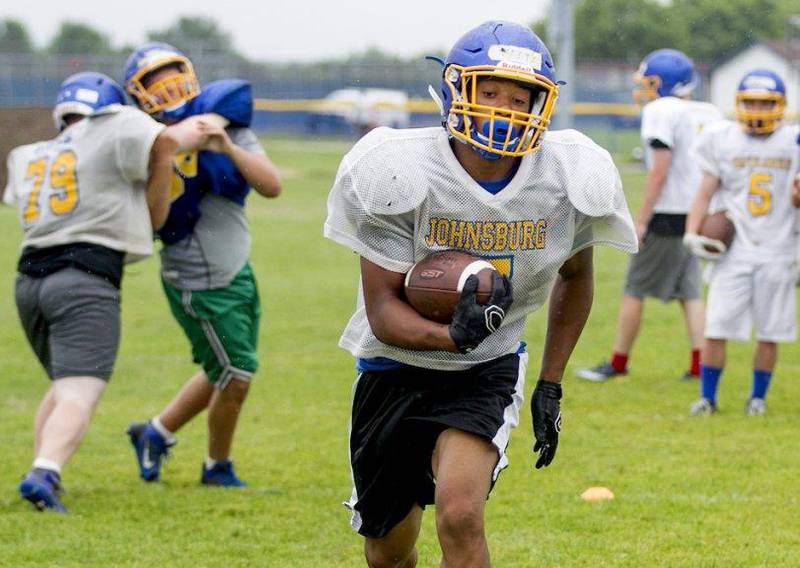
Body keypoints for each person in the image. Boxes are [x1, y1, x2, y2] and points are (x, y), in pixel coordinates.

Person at [324, 21, 637, 567]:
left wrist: (551, 383)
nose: (504, 108)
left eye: (522, 97)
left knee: (460, 515)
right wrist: (449, 335)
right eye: (489, 92)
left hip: (486, 369)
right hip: (392, 369)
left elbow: (577, 277)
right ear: (454, 90)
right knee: (388, 552)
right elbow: (381, 311)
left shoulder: (562, 175)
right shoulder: (400, 169)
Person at [3, 71, 205, 512]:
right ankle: (44, 472)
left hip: (28, 280)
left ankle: (42, 469)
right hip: (84, 278)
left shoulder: (27, 153)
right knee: (81, 390)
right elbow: (177, 138)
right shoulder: (117, 122)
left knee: (62, 385)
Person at [122, 42, 282, 487]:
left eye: (172, 73)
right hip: (196, 278)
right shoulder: (141, 139)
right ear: (139, 94)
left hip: (236, 268)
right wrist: (167, 151)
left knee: (227, 368)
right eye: (155, 80)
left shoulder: (221, 118)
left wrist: (226, 146)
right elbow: (154, 220)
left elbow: (271, 186)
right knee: (236, 373)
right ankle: (217, 466)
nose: (168, 86)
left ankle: (154, 432)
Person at [576, 49, 723, 383]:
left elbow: (659, 173)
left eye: (651, 82)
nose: (644, 89)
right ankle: (700, 365)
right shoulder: (709, 111)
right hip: (701, 212)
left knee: (634, 287)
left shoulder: (661, 110)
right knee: (690, 293)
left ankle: (618, 362)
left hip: (668, 213)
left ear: (667, 83)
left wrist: (640, 221)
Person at [683, 69, 799, 416]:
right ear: (738, 103)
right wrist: (692, 231)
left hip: (779, 248)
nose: (758, 110)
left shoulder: (794, 140)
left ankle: (757, 398)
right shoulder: (721, 138)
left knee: (770, 330)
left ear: (780, 106)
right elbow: (705, 190)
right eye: (751, 102)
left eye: (766, 103)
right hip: (733, 250)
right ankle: (708, 397)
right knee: (716, 326)